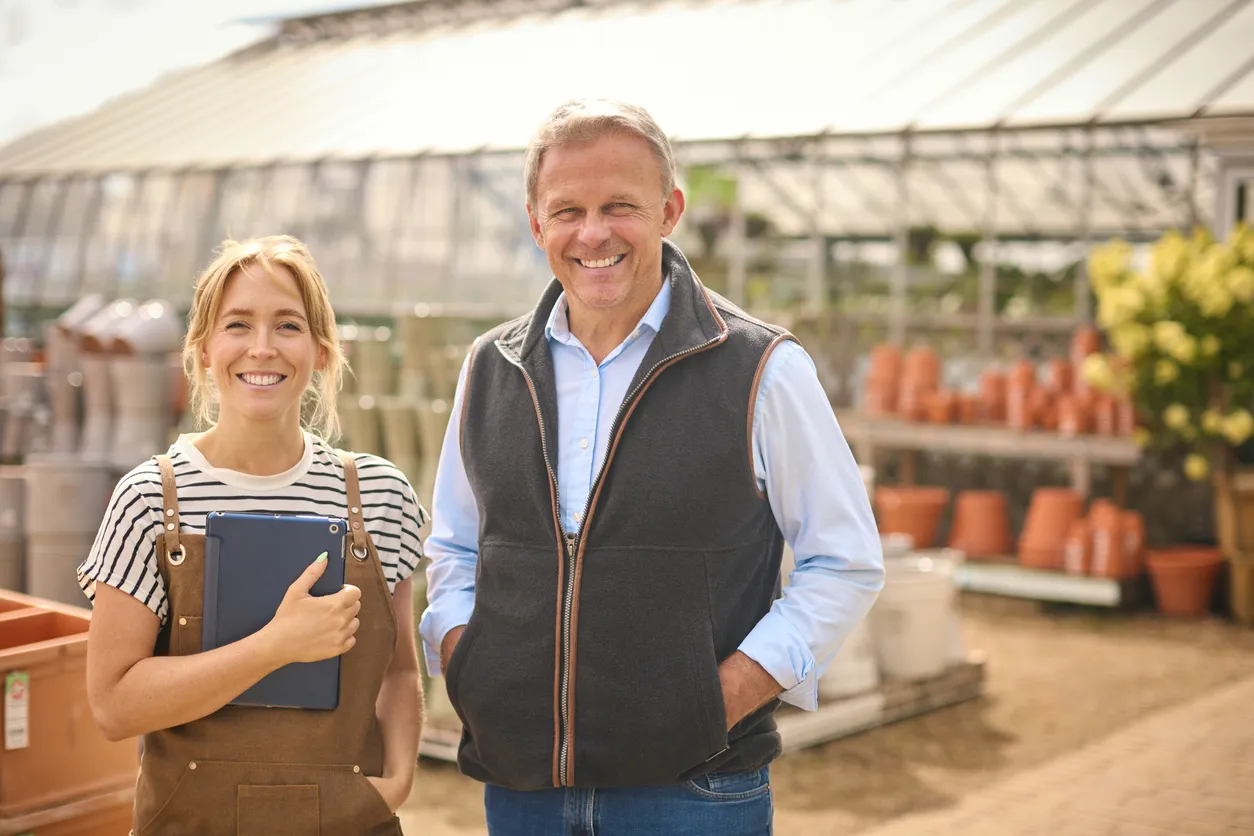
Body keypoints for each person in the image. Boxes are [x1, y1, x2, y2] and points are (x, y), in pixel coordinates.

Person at [419, 99, 885, 834]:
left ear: (670, 210)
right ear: (537, 224)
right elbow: (451, 544)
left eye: (620, 207)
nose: (593, 233)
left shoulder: (760, 366)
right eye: (567, 210)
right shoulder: (491, 366)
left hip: (692, 794)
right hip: (520, 791)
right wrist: (467, 659)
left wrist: (720, 697)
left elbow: (845, 560)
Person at [78, 235, 425, 836]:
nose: (262, 349)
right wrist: (275, 646)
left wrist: (397, 777)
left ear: (321, 351)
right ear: (204, 349)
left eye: (287, 325)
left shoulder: (379, 496)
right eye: (238, 324)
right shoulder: (150, 500)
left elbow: (398, 670)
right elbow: (113, 703)